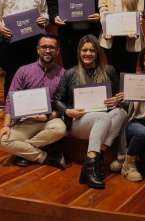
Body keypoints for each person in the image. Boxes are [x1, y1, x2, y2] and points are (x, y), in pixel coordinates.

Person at [54, 35, 127, 189]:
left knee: (121, 113)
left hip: (102, 120)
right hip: (79, 122)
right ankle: (93, 164)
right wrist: (68, 111)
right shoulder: (70, 73)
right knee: (103, 117)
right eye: (84, 50)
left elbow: (120, 97)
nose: (88, 54)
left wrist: (118, 99)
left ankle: (91, 162)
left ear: (97, 53)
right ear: (79, 52)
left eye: (92, 50)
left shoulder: (109, 70)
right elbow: (57, 100)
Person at [0, 34, 67, 169]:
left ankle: (23, 152)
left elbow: (65, 103)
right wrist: (6, 125)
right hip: (25, 120)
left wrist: (49, 116)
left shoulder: (63, 74)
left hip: (48, 119)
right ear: (37, 49)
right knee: (2, 140)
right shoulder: (24, 71)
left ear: (57, 51)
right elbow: (11, 99)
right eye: (44, 47)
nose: (47, 50)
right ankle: (45, 157)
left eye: (51, 47)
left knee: (60, 129)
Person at [116, 46, 145, 182]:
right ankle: (128, 166)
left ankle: (131, 157)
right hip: (135, 122)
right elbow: (126, 107)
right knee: (141, 132)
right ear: (142, 63)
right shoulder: (133, 80)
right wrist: (122, 99)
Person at [98, 0, 145, 76]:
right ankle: (115, 95)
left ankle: (127, 95)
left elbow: (139, 12)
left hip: (131, 37)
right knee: (112, 72)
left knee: (129, 72)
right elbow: (102, 8)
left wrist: (134, 30)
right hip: (110, 38)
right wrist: (106, 28)